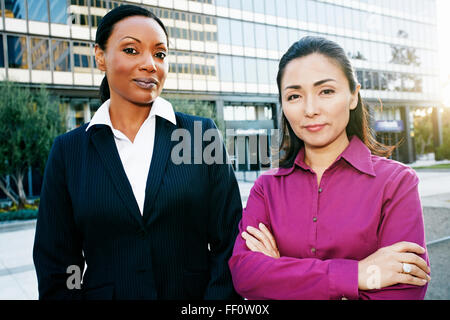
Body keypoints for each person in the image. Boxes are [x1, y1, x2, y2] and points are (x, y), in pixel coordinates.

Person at [33, 4, 242, 300]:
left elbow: (229, 241)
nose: (150, 64)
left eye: (160, 54)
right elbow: (58, 262)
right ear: (100, 57)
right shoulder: (68, 152)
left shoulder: (200, 135)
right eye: (132, 50)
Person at [228, 36, 430, 300]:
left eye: (326, 91)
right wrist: (357, 275)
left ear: (353, 96)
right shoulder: (267, 188)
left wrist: (280, 274)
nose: (310, 109)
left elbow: (403, 291)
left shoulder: (397, 183)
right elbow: (246, 275)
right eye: (294, 96)